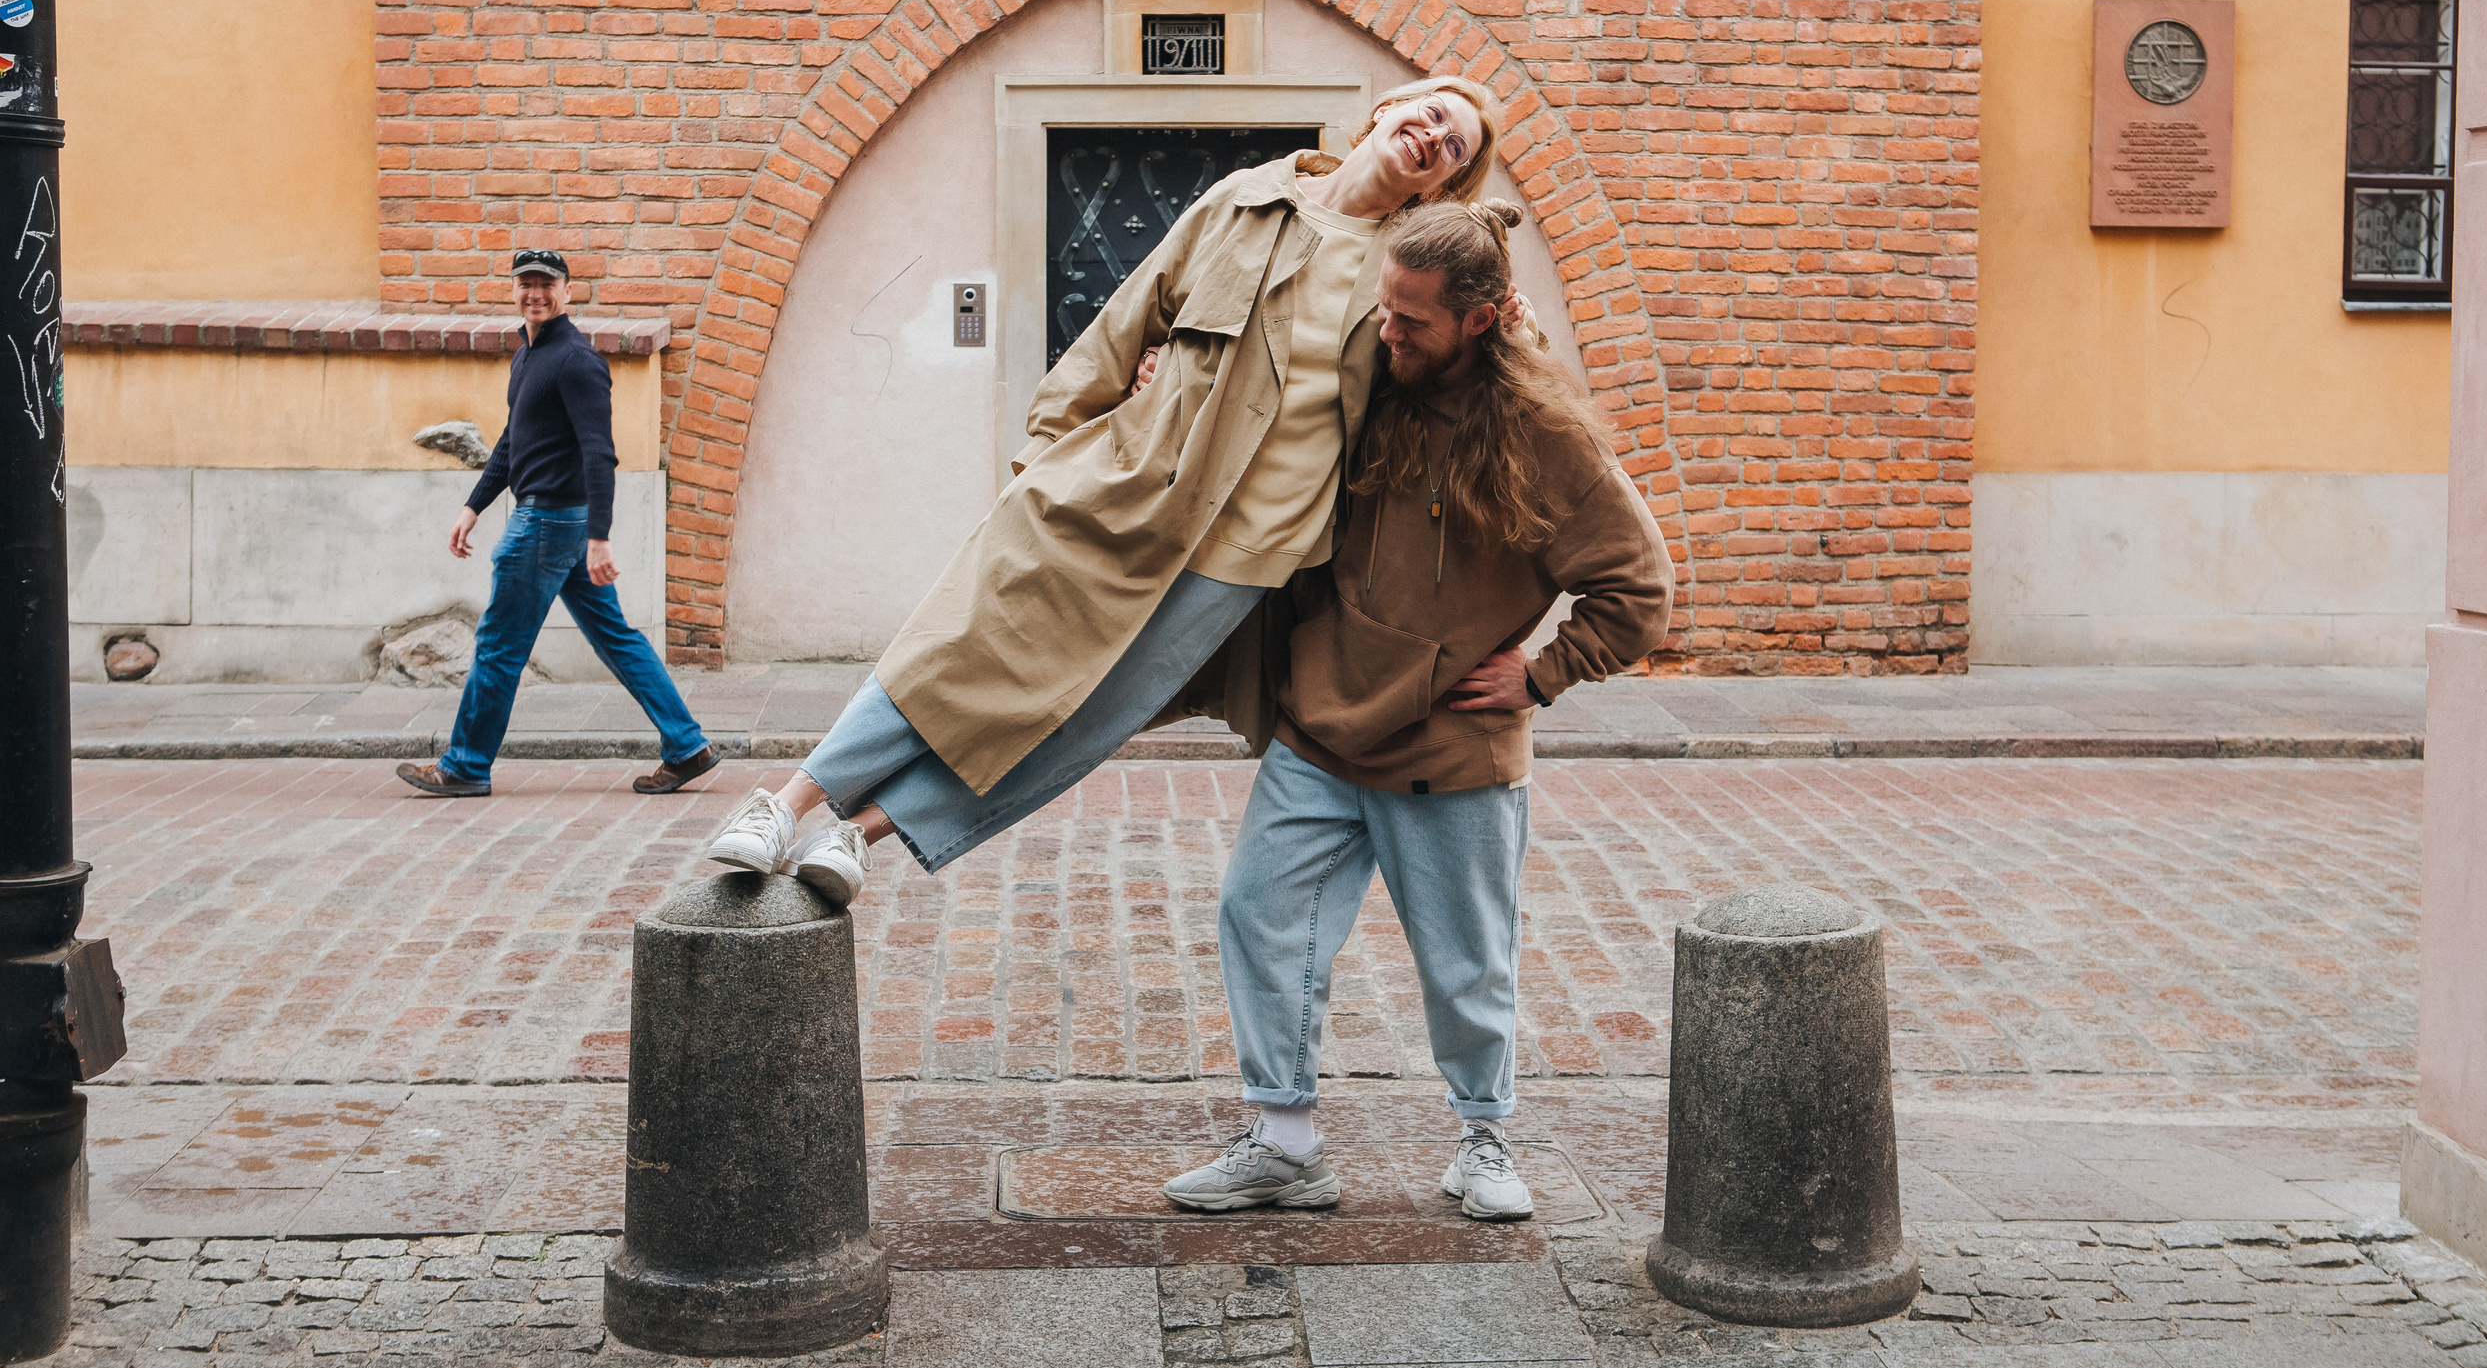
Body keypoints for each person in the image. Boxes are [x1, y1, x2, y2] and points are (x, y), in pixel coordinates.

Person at [695, 76, 1514, 905]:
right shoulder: (1247, 199)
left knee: (1085, 718)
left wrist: (1509, 319)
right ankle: (784, 803)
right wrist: (1048, 454)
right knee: (967, 644)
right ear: (1388, 108)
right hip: (1134, 490)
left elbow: (1472, 363)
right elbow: (1132, 318)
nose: (1432, 135)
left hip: (1252, 554)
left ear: (1443, 185)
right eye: (1433, 113)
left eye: (1453, 148)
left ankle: (854, 833)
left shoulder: (1414, 266)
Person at [1161, 200, 1673, 1223]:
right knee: (1259, 918)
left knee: (1464, 963)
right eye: (1385, 313)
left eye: (1413, 323)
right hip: (1320, 726)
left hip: (1450, 747)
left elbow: (1639, 588)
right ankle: (1285, 1142)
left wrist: (1540, 677)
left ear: (1481, 321)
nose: (1388, 333)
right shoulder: (1371, 382)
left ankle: (1482, 1139)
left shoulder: (1543, 436)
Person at [395, 248, 720, 799]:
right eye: (526, 284)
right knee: (616, 638)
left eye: (547, 284)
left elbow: (600, 454)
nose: (535, 294)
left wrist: (599, 536)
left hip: (548, 524)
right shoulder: (528, 354)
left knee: (498, 645)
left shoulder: (576, 360)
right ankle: (687, 747)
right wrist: (473, 506)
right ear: (515, 290)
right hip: (554, 525)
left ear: (568, 291)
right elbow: (511, 443)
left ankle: (466, 766)